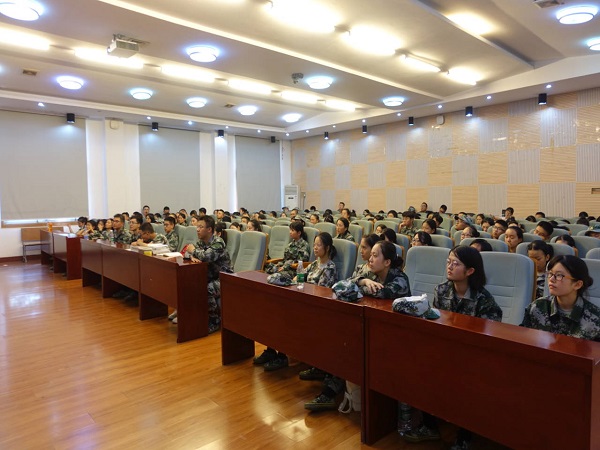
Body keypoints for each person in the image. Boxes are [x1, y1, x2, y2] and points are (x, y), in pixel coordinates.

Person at [404, 245, 502, 449]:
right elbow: (436, 323)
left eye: (455, 263)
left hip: (472, 358)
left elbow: (488, 341)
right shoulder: (441, 290)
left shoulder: (484, 300)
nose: (449, 266)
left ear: (470, 271)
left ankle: (464, 436)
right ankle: (430, 426)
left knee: (467, 382)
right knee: (418, 367)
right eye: (448, 262)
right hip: (445, 351)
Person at [305, 240, 410, 411]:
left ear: (387, 262)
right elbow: (340, 285)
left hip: (396, 337)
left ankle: (333, 392)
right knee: (343, 343)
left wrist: (357, 286)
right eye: (371, 255)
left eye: (375, 256)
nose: (370, 259)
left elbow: (380, 292)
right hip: (371, 329)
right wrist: (363, 281)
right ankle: (330, 391)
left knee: (351, 349)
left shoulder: (400, 279)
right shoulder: (370, 274)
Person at [257, 222, 311, 370]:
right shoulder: (290, 244)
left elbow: (300, 263)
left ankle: (282, 355)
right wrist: (280, 265)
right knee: (268, 272)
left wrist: (284, 266)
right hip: (285, 268)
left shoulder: (304, 245)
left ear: (299, 232)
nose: (290, 232)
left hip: (293, 273)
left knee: (275, 277)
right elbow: (285, 258)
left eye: (293, 230)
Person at [522, 255, 600, 341]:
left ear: (577, 284)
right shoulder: (537, 307)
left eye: (559, 275)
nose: (551, 279)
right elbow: (522, 341)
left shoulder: (596, 318)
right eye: (550, 274)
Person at [183, 216, 233, 333]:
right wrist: (192, 255)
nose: (197, 229)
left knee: (207, 289)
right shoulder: (201, 242)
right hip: (210, 276)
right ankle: (193, 316)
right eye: (197, 227)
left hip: (224, 279)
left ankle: (215, 322)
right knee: (188, 283)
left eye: (200, 227)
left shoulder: (218, 242)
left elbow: (206, 257)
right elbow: (186, 252)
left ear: (209, 229)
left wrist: (193, 251)